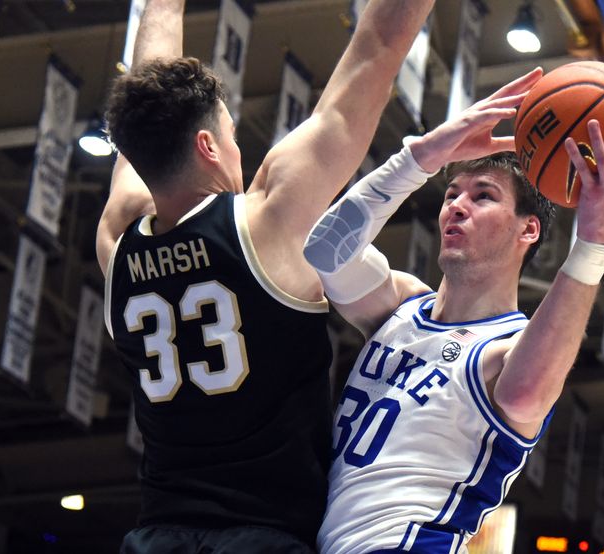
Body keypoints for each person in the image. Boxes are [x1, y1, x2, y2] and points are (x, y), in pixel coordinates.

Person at [94, 0, 435, 551]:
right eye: (230, 134)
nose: (237, 147)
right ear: (207, 146)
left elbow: (146, 103)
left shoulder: (119, 239)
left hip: (157, 536)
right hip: (265, 536)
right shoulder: (268, 222)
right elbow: (377, 49)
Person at [304, 85, 604, 552]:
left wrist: (595, 241)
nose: (457, 204)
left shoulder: (506, 349)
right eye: (451, 193)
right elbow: (326, 251)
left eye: (483, 196)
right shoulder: (401, 307)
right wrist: (421, 158)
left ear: (527, 229)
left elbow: (527, 391)